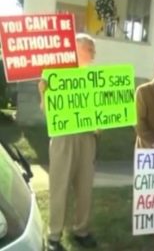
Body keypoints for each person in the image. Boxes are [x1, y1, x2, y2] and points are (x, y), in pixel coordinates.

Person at [38, 33, 98, 251]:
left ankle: (81, 230)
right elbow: (46, 110)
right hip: (63, 137)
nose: (93, 53)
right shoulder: (56, 74)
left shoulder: (96, 77)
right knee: (59, 186)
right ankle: (54, 236)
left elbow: (103, 108)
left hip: (87, 137)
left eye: (93, 49)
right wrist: (44, 93)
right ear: (75, 49)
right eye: (89, 48)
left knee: (85, 187)